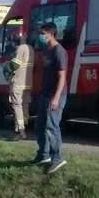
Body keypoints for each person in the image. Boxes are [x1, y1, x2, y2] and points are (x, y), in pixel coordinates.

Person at [31, 22, 68, 174]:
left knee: (52, 126)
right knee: (40, 125)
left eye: (43, 33)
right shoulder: (47, 50)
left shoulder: (59, 52)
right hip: (45, 93)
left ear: (51, 34)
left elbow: (62, 76)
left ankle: (57, 158)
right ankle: (43, 154)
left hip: (55, 95)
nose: (40, 36)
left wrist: (56, 97)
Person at [3, 26, 34, 141]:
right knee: (24, 105)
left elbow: (14, 65)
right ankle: (24, 126)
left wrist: (6, 66)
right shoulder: (30, 48)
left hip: (18, 83)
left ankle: (19, 130)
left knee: (17, 106)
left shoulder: (20, 49)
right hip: (28, 83)